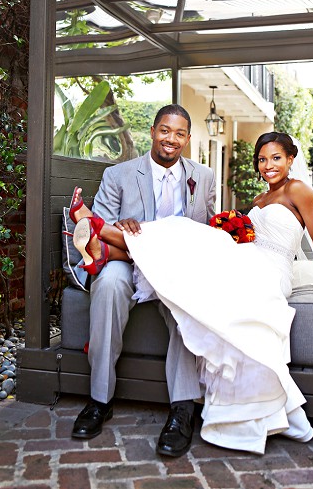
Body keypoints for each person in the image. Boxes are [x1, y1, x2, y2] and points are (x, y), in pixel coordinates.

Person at [69, 131, 313, 455]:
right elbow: (246, 239)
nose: (268, 166)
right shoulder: (259, 200)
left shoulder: (298, 190)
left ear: (291, 159)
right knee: (184, 238)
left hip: (270, 272)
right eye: (262, 160)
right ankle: (106, 252)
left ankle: (103, 235)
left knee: (185, 234)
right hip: (244, 261)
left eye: (276, 158)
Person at [68, 104, 215, 458]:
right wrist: (123, 225)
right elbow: (100, 226)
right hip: (126, 258)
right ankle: (99, 400)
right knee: (108, 284)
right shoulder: (118, 175)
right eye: (165, 130)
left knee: (188, 299)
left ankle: (182, 410)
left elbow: (208, 228)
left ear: (188, 139)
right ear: (152, 131)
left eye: (180, 133)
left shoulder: (204, 176)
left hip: (175, 266)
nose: (171, 139)